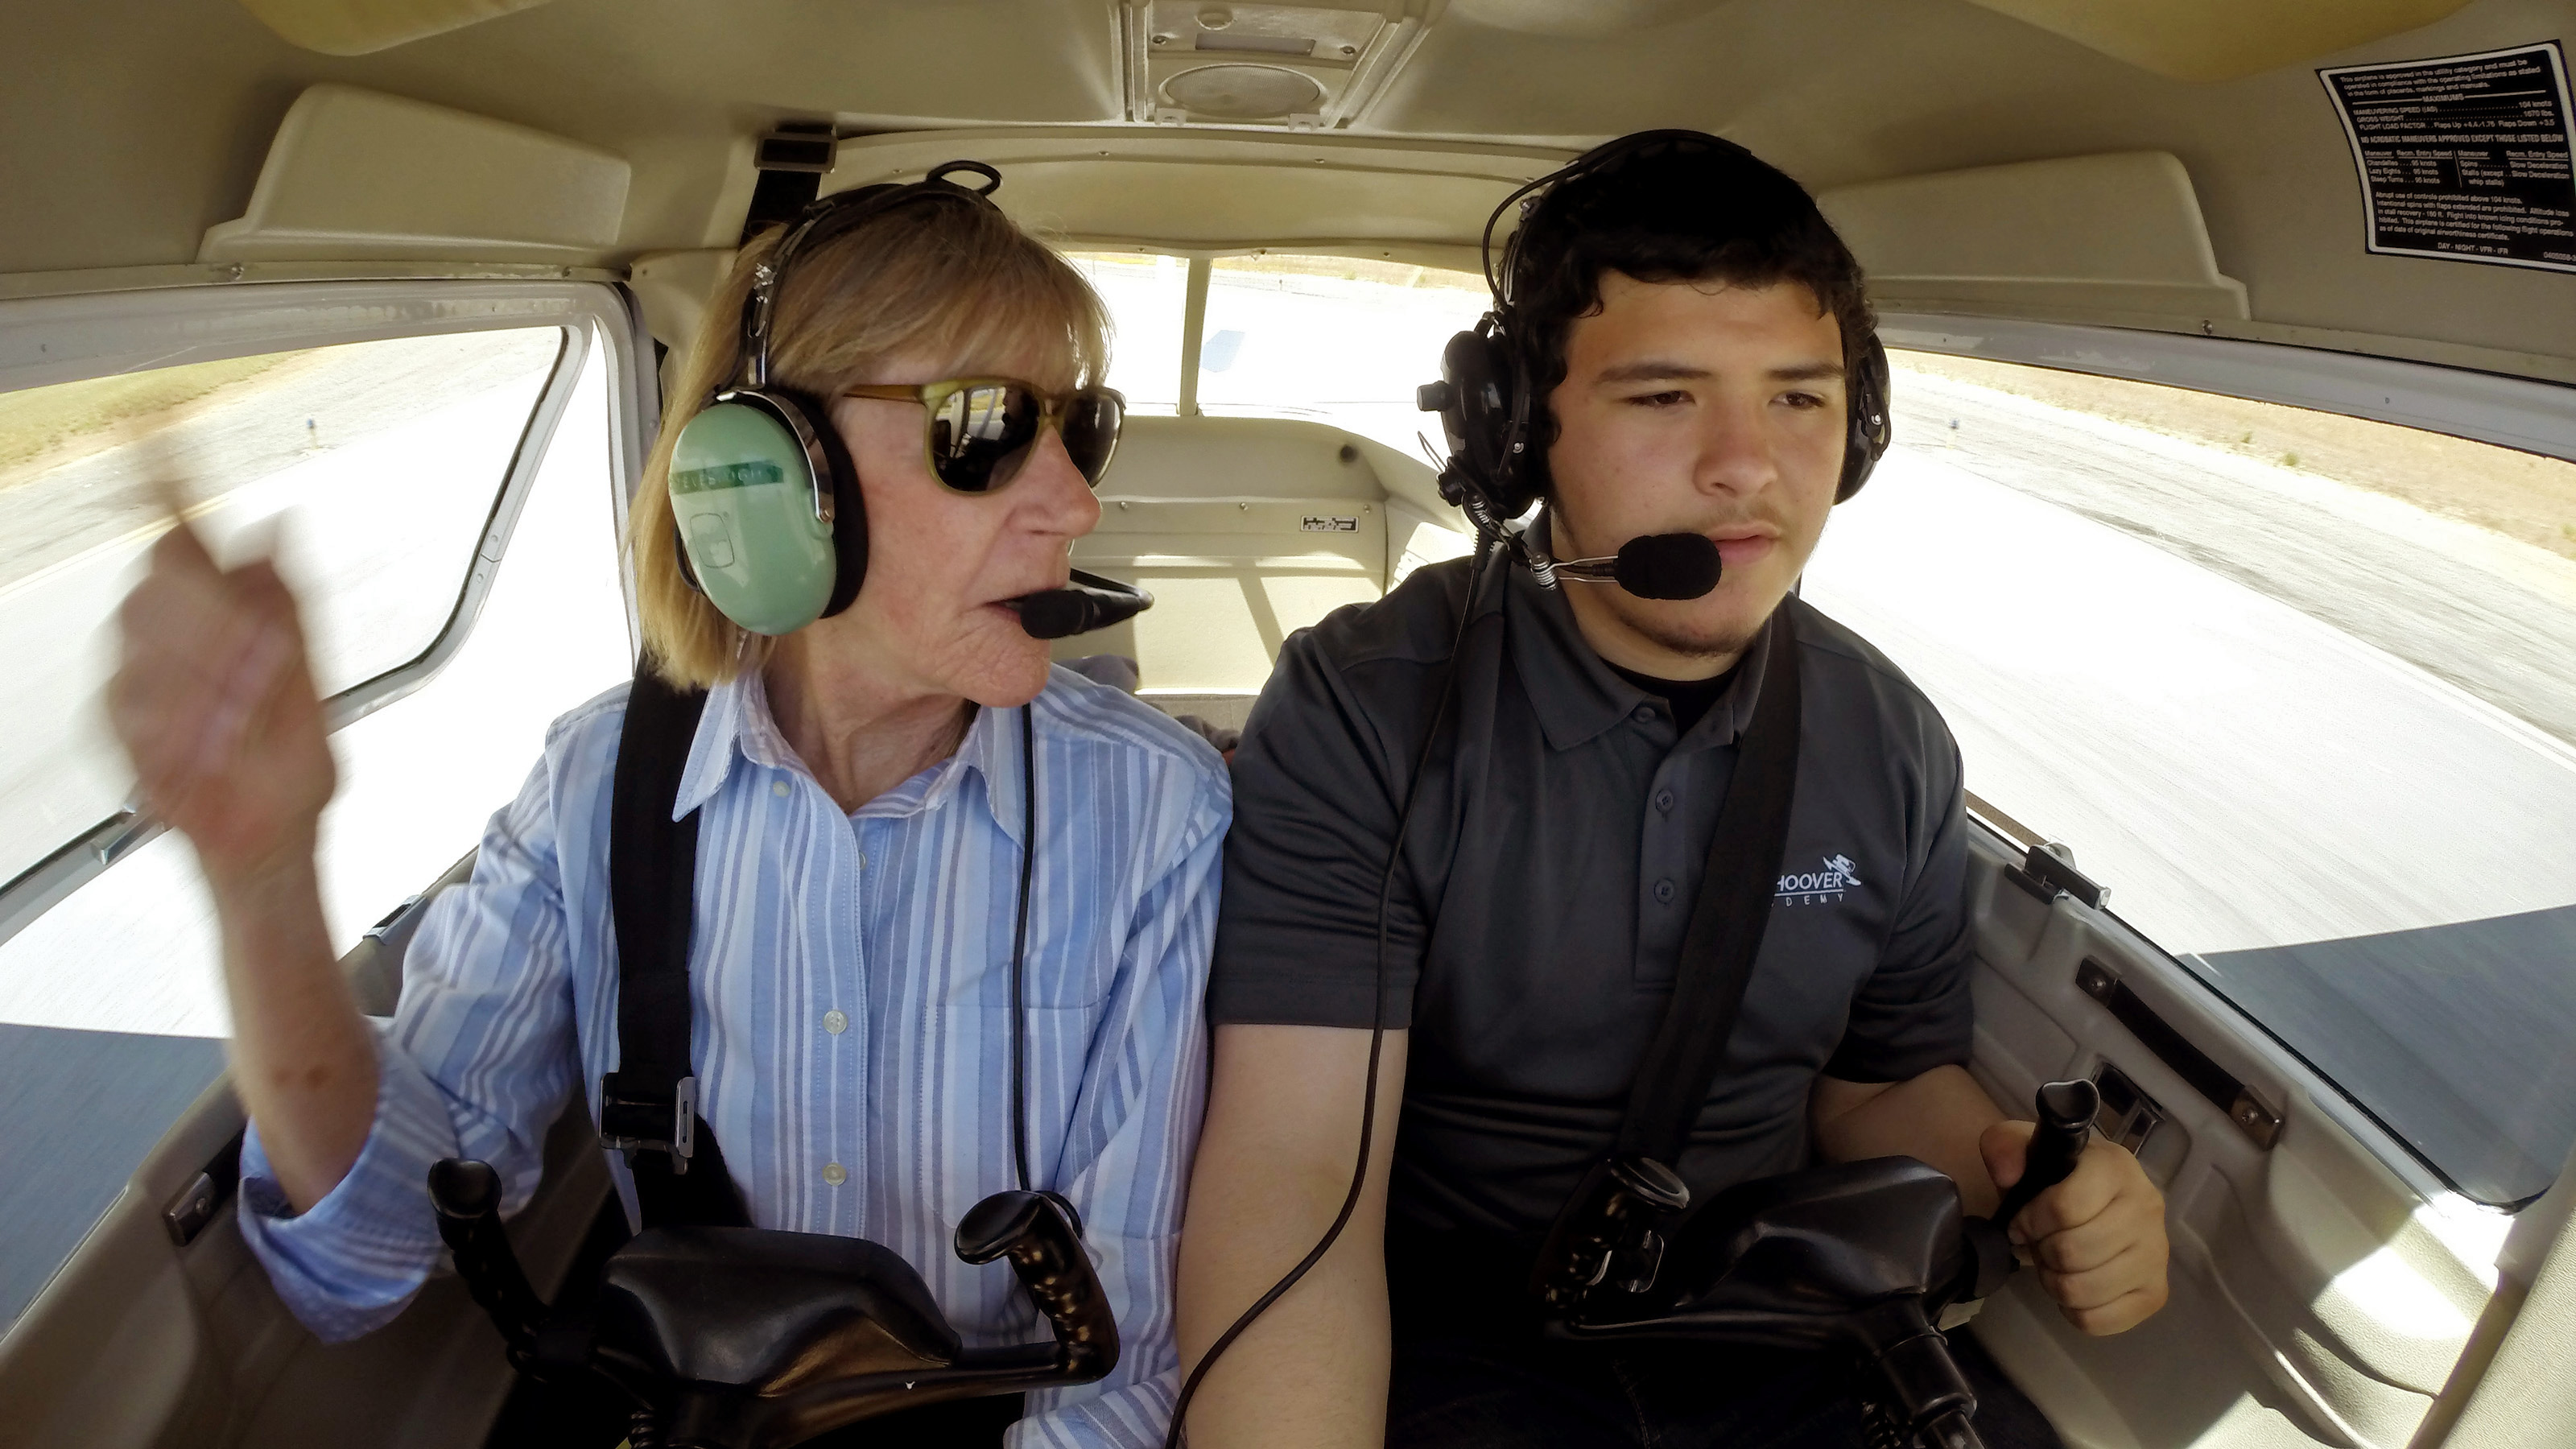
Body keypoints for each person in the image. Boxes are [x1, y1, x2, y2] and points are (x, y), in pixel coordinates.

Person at [109, 172, 1228, 1448]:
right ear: (768, 471)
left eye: (1080, 431)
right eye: (982, 427)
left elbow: (1122, 1373)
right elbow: (371, 1256)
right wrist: (263, 879)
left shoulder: (1155, 815)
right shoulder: (598, 787)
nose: (1077, 507)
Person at [1171, 133, 2169, 1447]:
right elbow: (1295, 1177)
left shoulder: (1891, 739)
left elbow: (1877, 1087)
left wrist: (2031, 1176)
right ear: (1523, 431)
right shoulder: (1371, 705)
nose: (1747, 467)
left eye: (1800, 401)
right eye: (1662, 399)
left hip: (1771, 1315)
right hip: (1453, 1330)